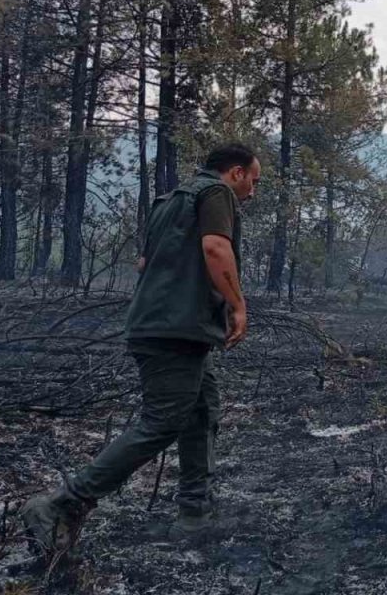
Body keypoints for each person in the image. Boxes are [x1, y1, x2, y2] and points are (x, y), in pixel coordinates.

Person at [21, 143, 263, 557]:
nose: (253, 191)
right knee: (163, 421)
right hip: (175, 329)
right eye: (253, 181)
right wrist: (238, 306)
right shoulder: (216, 193)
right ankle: (63, 503)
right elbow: (215, 249)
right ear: (236, 172)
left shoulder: (169, 202)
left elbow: (143, 263)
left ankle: (194, 513)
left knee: (201, 409)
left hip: (163, 325)